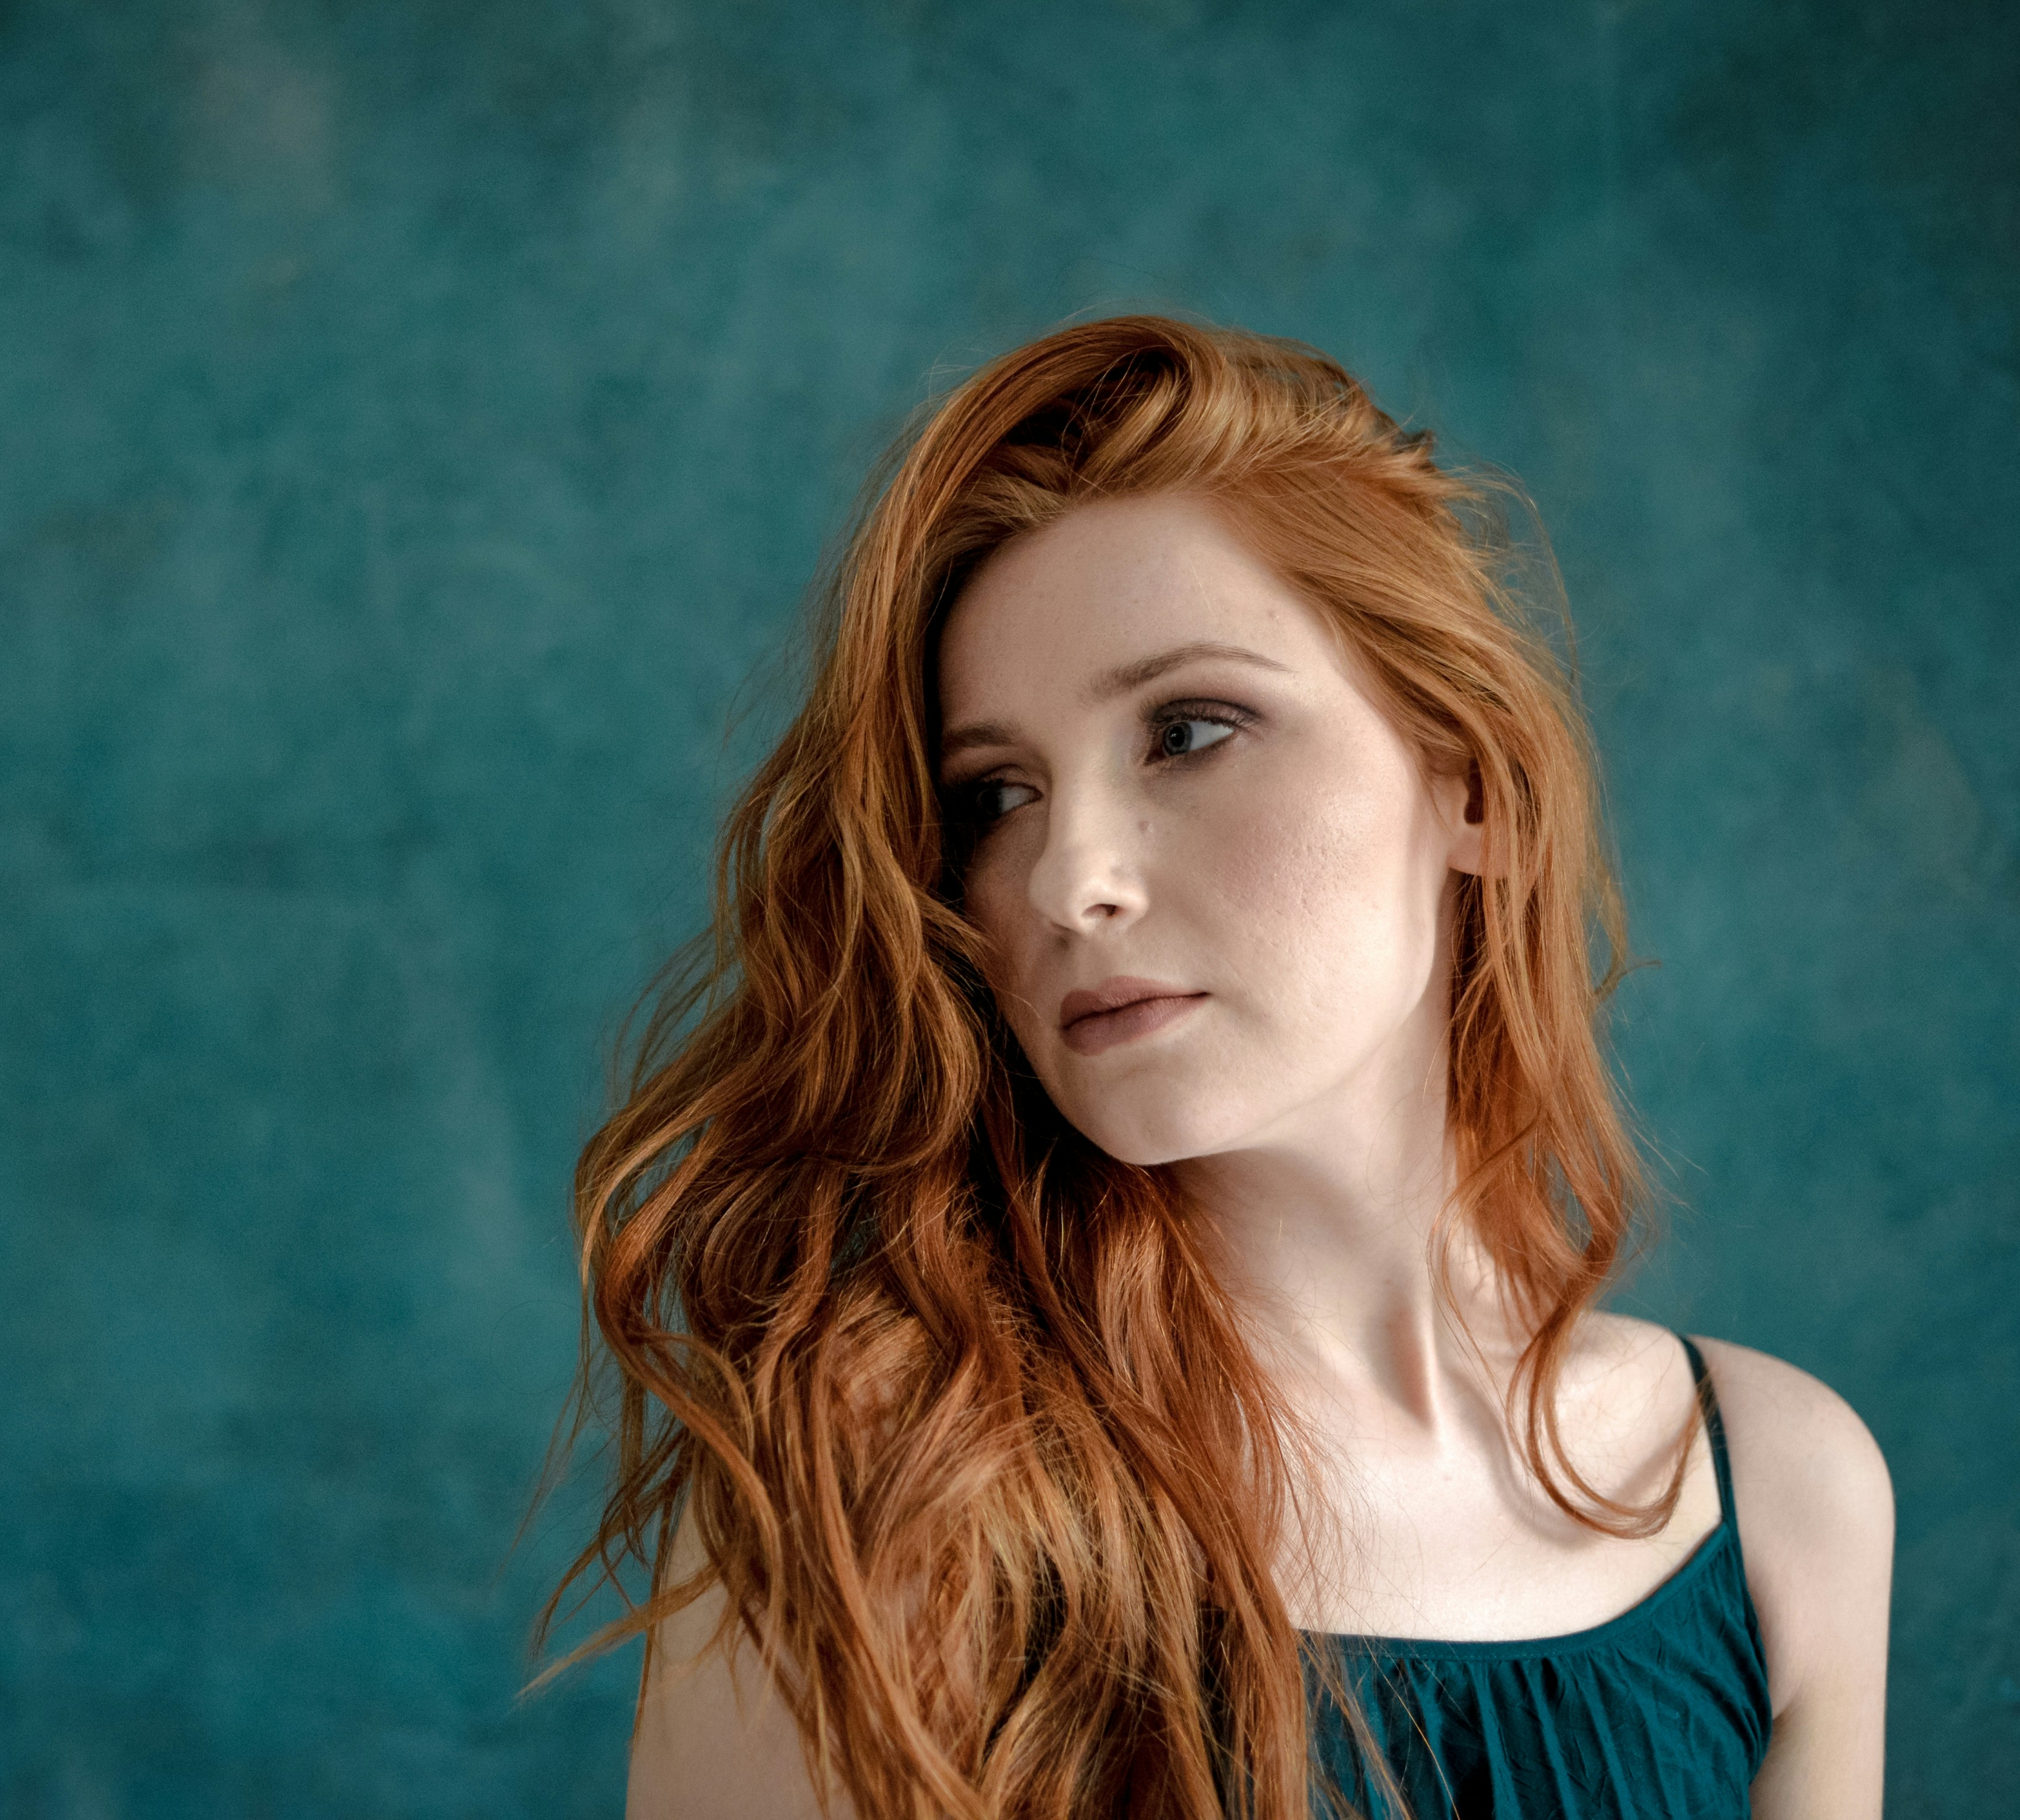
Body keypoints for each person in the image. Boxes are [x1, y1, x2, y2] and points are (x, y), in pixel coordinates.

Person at [543, 317, 1891, 1819]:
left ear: (1475, 784)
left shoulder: (1781, 1493)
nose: (1070, 879)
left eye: (1188, 729)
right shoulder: (886, 1483)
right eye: (997, 794)